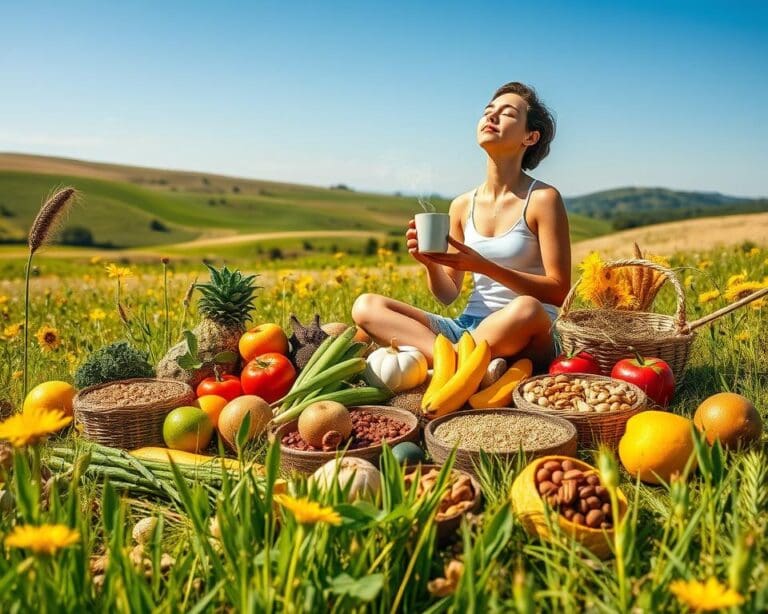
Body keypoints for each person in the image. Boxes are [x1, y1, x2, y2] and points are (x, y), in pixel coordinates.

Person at [352, 82, 571, 372]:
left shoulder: (543, 199)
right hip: (468, 329)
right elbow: (447, 295)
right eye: (488, 111)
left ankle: (448, 365)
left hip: (526, 329)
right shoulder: (462, 205)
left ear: (530, 137)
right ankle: (459, 362)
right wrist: (430, 264)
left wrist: (485, 267)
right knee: (366, 306)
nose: (491, 117)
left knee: (526, 307)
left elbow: (559, 292)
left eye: (507, 114)